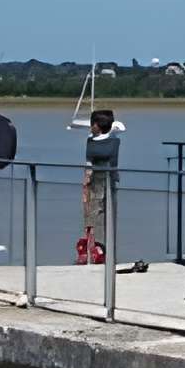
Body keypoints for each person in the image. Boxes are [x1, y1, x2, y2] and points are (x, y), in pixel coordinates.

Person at [80, 107, 126, 264]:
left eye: (92, 124)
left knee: (94, 215)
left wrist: (85, 183)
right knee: (103, 215)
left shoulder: (93, 142)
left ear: (96, 126)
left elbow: (89, 164)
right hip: (107, 179)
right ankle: (102, 249)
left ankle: (96, 249)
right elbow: (121, 127)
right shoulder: (114, 140)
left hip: (97, 180)